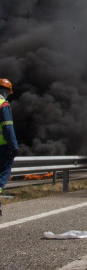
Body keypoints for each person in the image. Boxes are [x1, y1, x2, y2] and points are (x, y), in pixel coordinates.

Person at [0, 79, 18, 217]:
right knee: (2, 175)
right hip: (3, 147)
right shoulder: (3, 104)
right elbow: (8, 127)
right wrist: (13, 146)